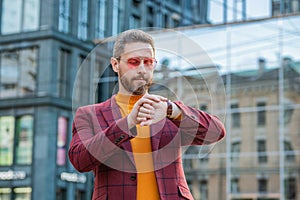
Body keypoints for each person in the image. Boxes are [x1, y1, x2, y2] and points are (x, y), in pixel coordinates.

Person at [68, 29, 226, 200]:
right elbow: (80, 160)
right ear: (115, 64)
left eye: (148, 62)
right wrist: (127, 123)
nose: (142, 69)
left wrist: (172, 110)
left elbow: (215, 132)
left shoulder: (168, 112)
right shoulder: (89, 114)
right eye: (134, 62)